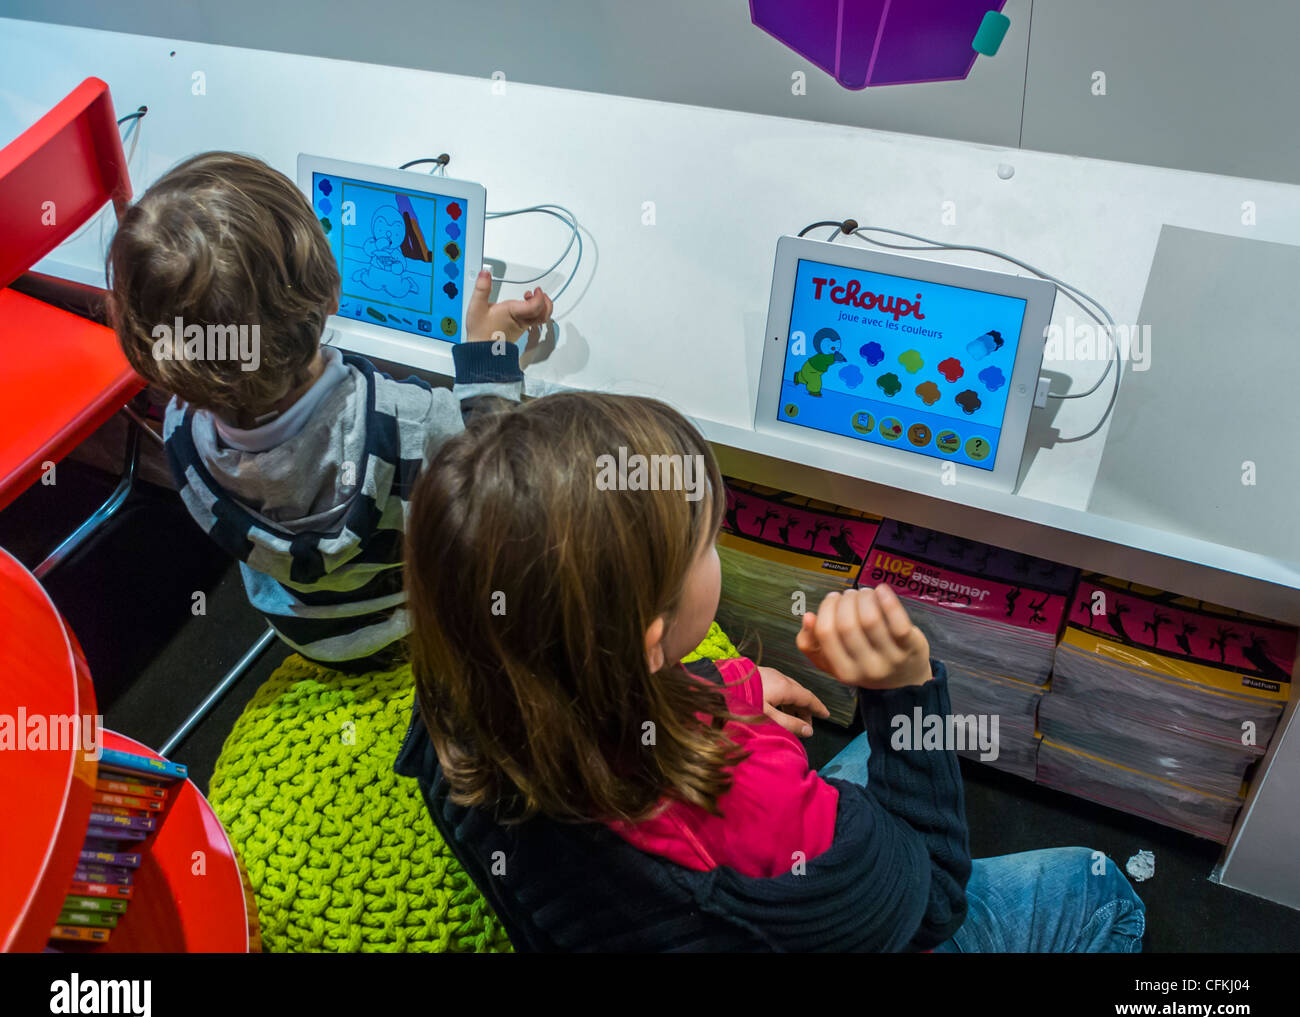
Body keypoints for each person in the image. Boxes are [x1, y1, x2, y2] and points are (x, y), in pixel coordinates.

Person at [396, 392, 1146, 951]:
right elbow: (935, 899)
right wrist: (905, 693)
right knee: (1100, 887)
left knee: (849, 769)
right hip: (783, 903)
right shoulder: (751, 797)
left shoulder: (458, 705)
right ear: (652, 639)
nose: (713, 546)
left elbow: (580, 688)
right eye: (705, 543)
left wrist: (727, 690)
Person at [106, 151, 551, 670]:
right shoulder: (403, 422)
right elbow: (497, 482)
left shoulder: (180, 428)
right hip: (410, 629)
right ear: (332, 288)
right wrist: (490, 348)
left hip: (306, 634)